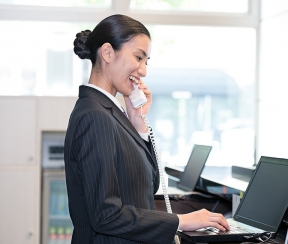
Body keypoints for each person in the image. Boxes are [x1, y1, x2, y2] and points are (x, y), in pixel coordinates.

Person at [64, 14, 230, 244]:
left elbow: (147, 188)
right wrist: (182, 221)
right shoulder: (95, 115)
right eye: (138, 57)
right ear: (108, 53)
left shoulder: (112, 113)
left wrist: (138, 122)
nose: (143, 71)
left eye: (146, 61)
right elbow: (106, 216)